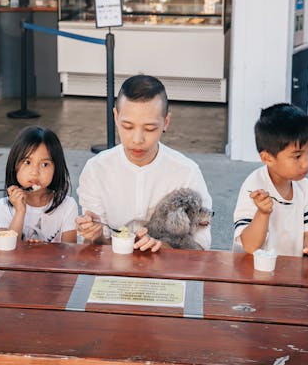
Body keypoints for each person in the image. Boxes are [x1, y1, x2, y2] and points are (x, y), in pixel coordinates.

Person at [76, 75, 212, 252]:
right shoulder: (96, 170)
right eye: (127, 127)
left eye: (149, 129)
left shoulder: (186, 172)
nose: (137, 139)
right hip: (112, 270)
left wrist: (163, 247)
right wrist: (94, 235)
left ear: (166, 122)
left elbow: (201, 246)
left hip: (168, 272)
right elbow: (95, 246)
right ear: (116, 117)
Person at [232, 103, 308, 264]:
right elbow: (250, 246)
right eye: (297, 156)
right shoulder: (254, 188)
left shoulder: (305, 187)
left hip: (292, 263)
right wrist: (263, 213)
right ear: (267, 158)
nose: (307, 162)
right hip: (257, 265)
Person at [0, 126, 77, 243]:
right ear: (14, 165)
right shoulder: (5, 206)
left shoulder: (67, 206)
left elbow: (70, 254)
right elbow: (5, 251)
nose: (35, 172)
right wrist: (20, 212)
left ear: (56, 169)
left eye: (45, 164)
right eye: (27, 162)